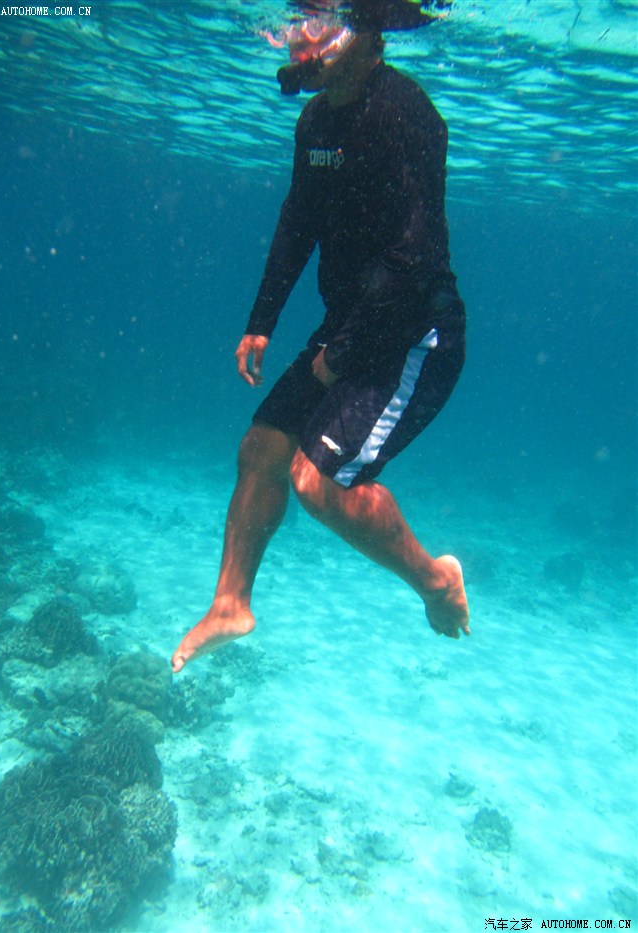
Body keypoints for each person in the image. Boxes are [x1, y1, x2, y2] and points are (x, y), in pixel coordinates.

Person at [171, 3, 469, 674]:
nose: (303, 39)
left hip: (416, 334)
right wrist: (262, 320)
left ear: (369, 36)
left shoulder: (405, 113)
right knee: (260, 449)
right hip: (350, 327)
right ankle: (230, 605)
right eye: (299, 23)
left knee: (316, 481)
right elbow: (297, 221)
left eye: (322, 23)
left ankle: (436, 581)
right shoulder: (315, 122)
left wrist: (340, 355)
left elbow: (414, 256)